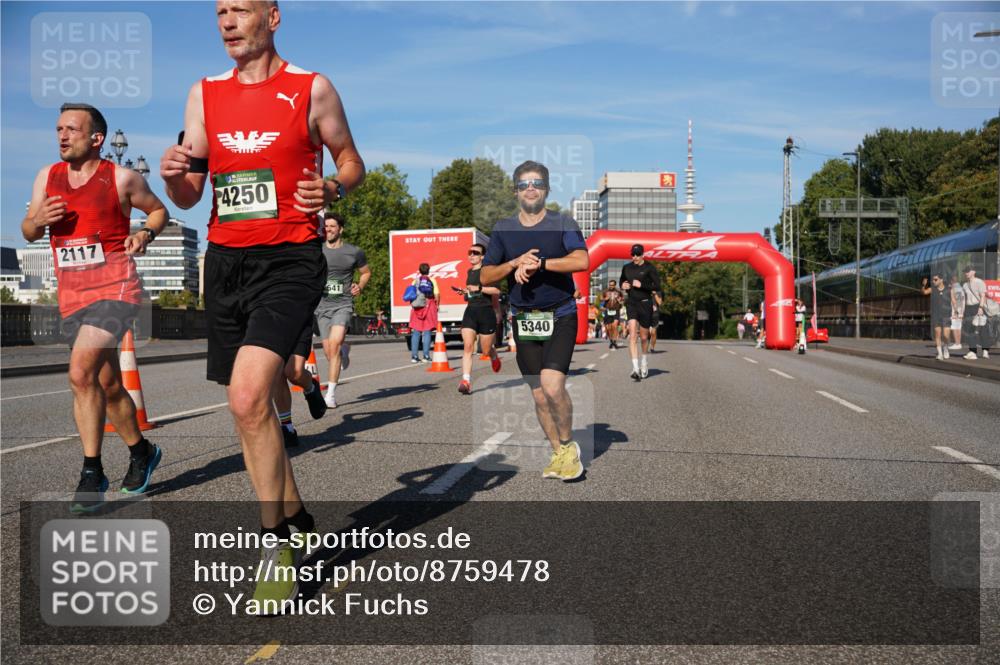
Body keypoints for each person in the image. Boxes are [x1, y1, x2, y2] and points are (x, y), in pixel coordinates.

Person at [159, 0, 365, 612]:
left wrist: (331, 184)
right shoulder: (203, 94)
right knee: (249, 412)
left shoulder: (311, 87)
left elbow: (352, 162)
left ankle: (277, 547)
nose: (226, 21)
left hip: (289, 259)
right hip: (225, 261)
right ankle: (296, 514)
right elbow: (191, 193)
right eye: (219, 11)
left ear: (271, 18)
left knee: (249, 396)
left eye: (239, 10)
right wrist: (173, 175)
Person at [22, 102, 169, 513]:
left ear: (97, 139)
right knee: (106, 384)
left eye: (71, 129)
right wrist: (39, 220)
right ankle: (142, 452)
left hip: (116, 287)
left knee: (79, 371)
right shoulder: (46, 177)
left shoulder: (121, 177)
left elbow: (159, 210)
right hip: (73, 294)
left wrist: (144, 234)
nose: (62, 136)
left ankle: (92, 472)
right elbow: (29, 231)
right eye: (58, 129)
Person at [480, 160, 589, 481]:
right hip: (524, 320)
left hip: (561, 314)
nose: (531, 188)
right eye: (525, 183)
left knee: (553, 387)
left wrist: (540, 264)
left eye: (537, 183)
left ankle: (569, 446)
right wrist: (513, 263)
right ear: (515, 191)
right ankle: (557, 451)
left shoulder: (562, 223)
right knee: (539, 394)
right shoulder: (503, 229)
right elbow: (485, 274)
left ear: (547, 189)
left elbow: (581, 259)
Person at [315, 212, 369, 407]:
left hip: (343, 304)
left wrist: (359, 286)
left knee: (335, 344)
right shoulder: (317, 250)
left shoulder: (354, 252)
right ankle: (345, 351)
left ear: (340, 229)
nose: (328, 229)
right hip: (322, 307)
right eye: (326, 226)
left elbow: (365, 272)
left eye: (332, 226)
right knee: (330, 353)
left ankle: (330, 394)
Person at [271, 320, 328, 449]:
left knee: (294, 372)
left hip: (298, 318)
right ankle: (288, 428)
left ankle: (310, 387)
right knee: (277, 372)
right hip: (270, 320)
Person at [458, 242, 502, 394]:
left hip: (486, 312)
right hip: (471, 311)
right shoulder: (469, 272)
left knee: (485, 350)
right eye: (470, 252)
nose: (471, 255)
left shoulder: (488, 272)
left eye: (475, 253)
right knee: (468, 347)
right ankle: (466, 381)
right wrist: (465, 292)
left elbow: (496, 290)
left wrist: (479, 288)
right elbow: (472, 293)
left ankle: (493, 354)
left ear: (483, 256)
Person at [619, 244, 659, 380]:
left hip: (645, 304)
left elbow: (657, 286)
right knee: (632, 334)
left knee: (643, 337)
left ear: (643, 254)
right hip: (632, 304)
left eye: (637, 254)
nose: (634, 257)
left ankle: (644, 362)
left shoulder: (649, 268)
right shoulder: (627, 268)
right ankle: (635, 368)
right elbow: (621, 281)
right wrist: (622, 285)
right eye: (633, 254)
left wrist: (642, 285)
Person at [408, 263, 439, 362]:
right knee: (427, 331)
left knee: (416, 332)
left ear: (419, 271)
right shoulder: (432, 280)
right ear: (428, 270)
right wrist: (437, 305)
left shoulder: (414, 281)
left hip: (417, 308)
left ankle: (414, 356)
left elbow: (410, 294)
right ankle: (426, 356)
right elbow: (437, 294)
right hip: (429, 306)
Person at [961, 266, 991, 360]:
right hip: (968, 308)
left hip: (977, 306)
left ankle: (985, 350)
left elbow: (983, 296)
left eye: (968, 271)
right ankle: (972, 352)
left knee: (982, 329)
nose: (966, 273)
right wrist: (962, 311)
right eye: (965, 271)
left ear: (973, 272)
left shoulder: (979, 282)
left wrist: (981, 307)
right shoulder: (965, 285)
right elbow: (963, 299)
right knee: (969, 330)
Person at [921, 274, 952, 360]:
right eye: (933, 280)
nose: (933, 281)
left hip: (946, 315)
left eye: (936, 280)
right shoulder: (932, 289)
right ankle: (940, 353)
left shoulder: (948, 289)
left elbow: (953, 300)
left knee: (946, 335)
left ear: (941, 280)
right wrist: (924, 285)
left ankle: (945, 349)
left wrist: (957, 311)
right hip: (936, 315)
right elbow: (924, 292)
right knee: (937, 335)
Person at [601, 280, 624, 349]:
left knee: (614, 326)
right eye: (610, 285)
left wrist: (620, 301)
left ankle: (614, 341)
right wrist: (605, 298)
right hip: (608, 310)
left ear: (615, 285)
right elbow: (601, 298)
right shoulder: (605, 291)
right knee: (608, 328)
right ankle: (611, 340)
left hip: (616, 310)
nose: (611, 286)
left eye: (612, 285)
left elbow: (622, 300)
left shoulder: (619, 292)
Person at [949, 273, 964, 351]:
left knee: (954, 327)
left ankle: (956, 343)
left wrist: (955, 310)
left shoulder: (953, 289)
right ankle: (959, 343)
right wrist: (961, 311)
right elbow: (962, 300)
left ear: (952, 281)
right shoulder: (961, 288)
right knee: (959, 327)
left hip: (955, 310)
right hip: (961, 309)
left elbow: (953, 300)